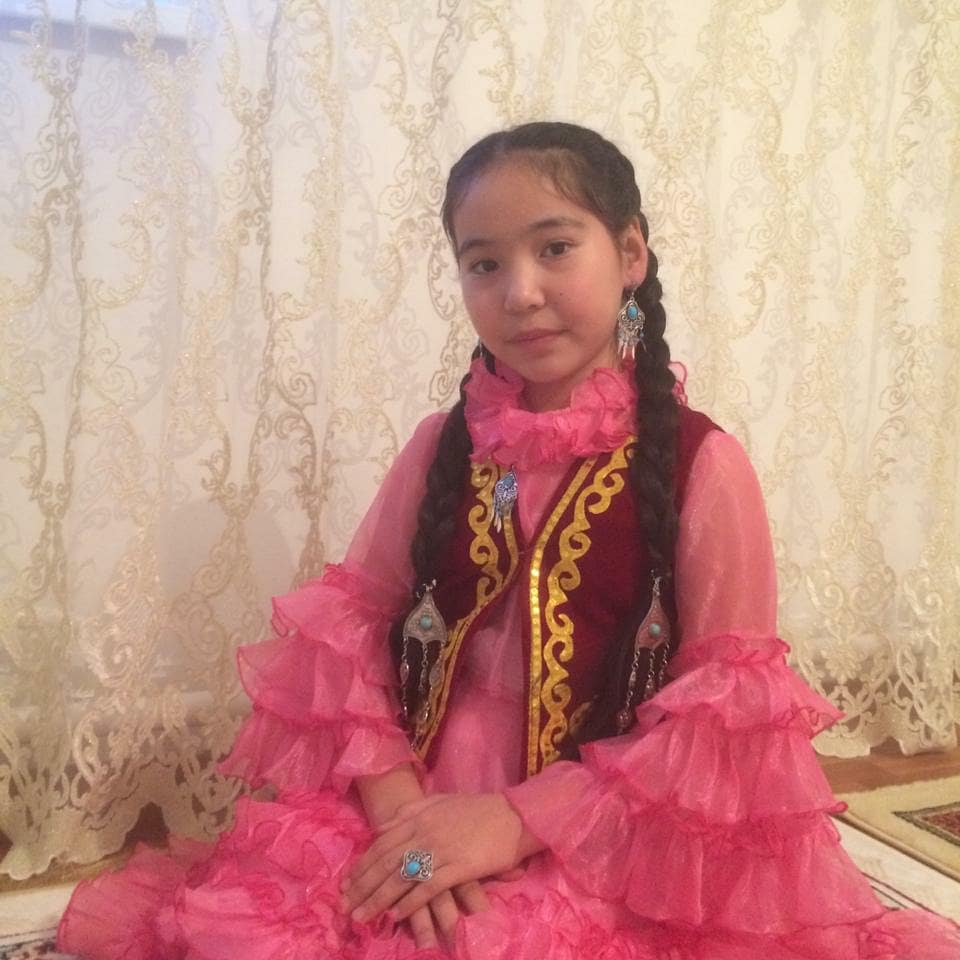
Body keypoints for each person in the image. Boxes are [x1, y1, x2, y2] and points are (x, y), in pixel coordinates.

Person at [57, 121, 960, 960]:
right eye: (483, 263)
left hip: (608, 826)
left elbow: (722, 726)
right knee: (339, 917)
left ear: (631, 254)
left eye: (555, 248)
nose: (519, 293)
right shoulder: (439, 446)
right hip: (415, 800)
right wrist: (405, 819)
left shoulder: (704, 467)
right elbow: (343, 642)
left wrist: (514, 822)